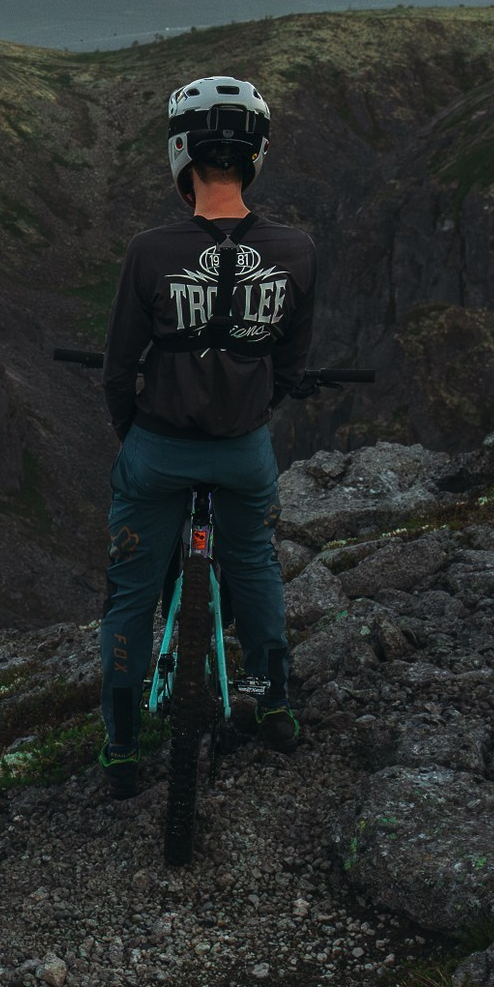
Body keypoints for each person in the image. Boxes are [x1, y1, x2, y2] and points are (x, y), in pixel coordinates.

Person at [95, 77, 318, 799]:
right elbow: (291, 365)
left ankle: (122, 747)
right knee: (254, 571)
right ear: (253, 155)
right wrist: (250, 411)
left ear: (181, 154)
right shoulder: (296, 249)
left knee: (131, 591)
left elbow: (117, 368)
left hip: (156, 449)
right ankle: (271, 698)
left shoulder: (150, 250)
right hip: (244, 452)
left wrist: (138, 439)